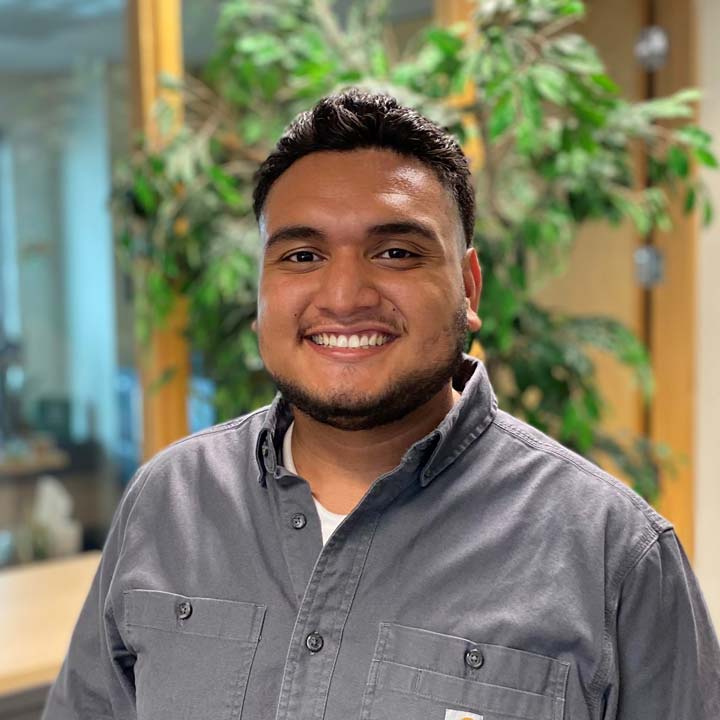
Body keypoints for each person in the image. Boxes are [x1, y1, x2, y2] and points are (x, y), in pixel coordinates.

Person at [43, 89, 720, 720]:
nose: (344, 297)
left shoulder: (615, 556)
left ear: (469, 287)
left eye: (395, 252)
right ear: (260, 293)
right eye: (301, 256)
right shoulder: (168, 503)